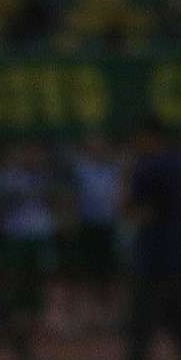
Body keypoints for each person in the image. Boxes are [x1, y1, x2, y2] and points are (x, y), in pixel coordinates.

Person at [101, 117, 181, 360]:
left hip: (155, 261)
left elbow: (134, 210)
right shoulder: (178, 164)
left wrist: (123, 184)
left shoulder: (148, 167)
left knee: (141, 334)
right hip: (177, 256)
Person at [0, 142, 57, 360]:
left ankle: (27, 341)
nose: (33, 157)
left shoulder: (46, 177)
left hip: (39, 238)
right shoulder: (7, 177)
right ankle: (18, 341)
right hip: (16, 239)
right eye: (29, 152)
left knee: (36, 295)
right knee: (16, 291)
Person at [66, 134, 126, 333]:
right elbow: (72, 198)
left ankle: (110, 317)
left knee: (109, 275)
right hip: (87, 227)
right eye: (92, 147)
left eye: (101, 147)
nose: (97, 150)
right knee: (87, 274)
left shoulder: (114, 170)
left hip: (109, 227)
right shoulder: (80, 170)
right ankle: (87, 317)